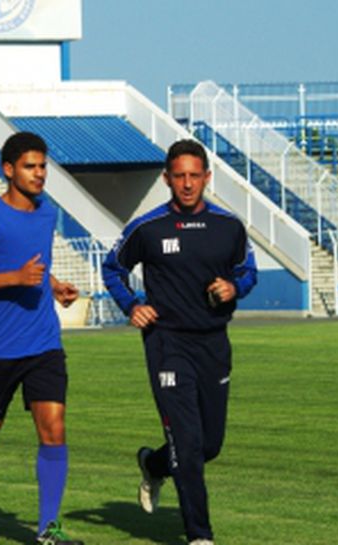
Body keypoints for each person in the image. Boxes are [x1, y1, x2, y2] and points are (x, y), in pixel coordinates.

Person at [101, 139, 257, 545]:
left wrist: (233, 287)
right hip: (166, 344)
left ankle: (153, 464)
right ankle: (200, 536)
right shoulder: (147, 227)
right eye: (179, 176)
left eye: (194, 176)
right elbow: (112, 268)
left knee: (208, 446)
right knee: (187, 448)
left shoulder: (229, 226)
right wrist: (131, 304)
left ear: (207, 177)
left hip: (214, 344)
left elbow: (248, 271)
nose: (187, 184)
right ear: (166, 179)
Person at [0, 131, 83, 545]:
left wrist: (54, 285)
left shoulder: (46, 213)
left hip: (43, 342)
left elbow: (36, 267)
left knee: (54, 428)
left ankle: (47, 528)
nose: (40, 173)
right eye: (31, 166)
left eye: (43, 166)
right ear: (8, 170)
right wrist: (15, 278)